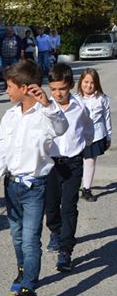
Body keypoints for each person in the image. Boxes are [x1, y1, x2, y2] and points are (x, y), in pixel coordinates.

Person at [0, 59, 68, 296]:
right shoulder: (9, 116)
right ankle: (23, 271)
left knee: (31, 240)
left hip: (35, 187)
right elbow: (1, 149)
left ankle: (28, 292)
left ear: (24, 87)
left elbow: (62, 129)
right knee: (17, 237)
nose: (7, 91)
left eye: (9, 86)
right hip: (12, 186)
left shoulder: (46, 114)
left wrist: (48, 104)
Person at [44, 63, 94, 271]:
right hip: (51, 164)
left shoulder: (80, 107)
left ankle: (66, 249)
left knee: (69, 206)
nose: (58, 94)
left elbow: (89, 129)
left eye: (62, 89)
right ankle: (55, 232)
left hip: (73, 162)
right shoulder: (45, 107)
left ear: (71, 86)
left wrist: (85, 145)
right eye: (54, 89)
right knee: (51, 205)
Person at [77, 68, 112, 201]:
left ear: (96, 84)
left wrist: (108, 136)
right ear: (81, 82)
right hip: (79, 136)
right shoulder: (75, 99)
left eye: (92, 82)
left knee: (90, 161)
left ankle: (86, 189)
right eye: (86, 82)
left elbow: (106, 118)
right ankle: (72, 186)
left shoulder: (102, 99)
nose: (89, 85)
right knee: (76, 163)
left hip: (97, 135)